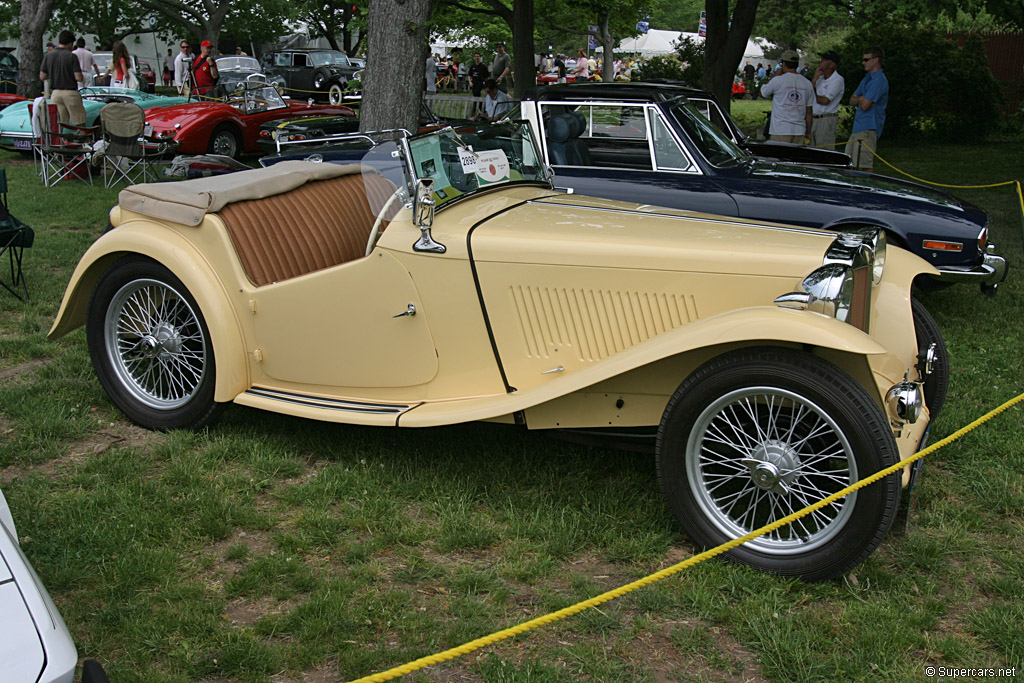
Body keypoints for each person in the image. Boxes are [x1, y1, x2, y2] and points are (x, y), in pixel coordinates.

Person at [846, 46, 888, 172]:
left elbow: (865, 105)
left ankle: (864, 190)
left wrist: (862, 100)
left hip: (869, 128)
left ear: (876, 60)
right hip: (858, 128)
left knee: (864, 166)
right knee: (851, 165)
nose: (863, 63)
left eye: (866, 60)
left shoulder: (879, 80)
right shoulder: (867, 79)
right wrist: (862, 99)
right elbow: (852, 100)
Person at [759, 49, 813, 145]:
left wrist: (775, 75)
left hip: (780, 129)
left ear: (783, 64)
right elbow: (809, 111)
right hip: (799, 130)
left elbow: (763, 93)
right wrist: (808, 132)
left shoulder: (778, 80)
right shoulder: (807, 83)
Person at [39, 30, 84, 125]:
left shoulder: (48, 56)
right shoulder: (72, 56)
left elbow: (42, 76)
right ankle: (82, 138)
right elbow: (79, 77)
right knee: (79, 121)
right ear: (71, 44)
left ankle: (59, 140)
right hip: (70, 92)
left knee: (59, 123)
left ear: (59, 42)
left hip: (55, 93)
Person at [810, 50, 845, 148]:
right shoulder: (819, 79)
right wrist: (814, 80)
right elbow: (808, 95)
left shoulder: (837, 80)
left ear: (832, 65)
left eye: (824, 60)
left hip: (825, 119)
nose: (821, 61)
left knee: (824, 150)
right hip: (813, 117)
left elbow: (824, 100)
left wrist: (813, 90)